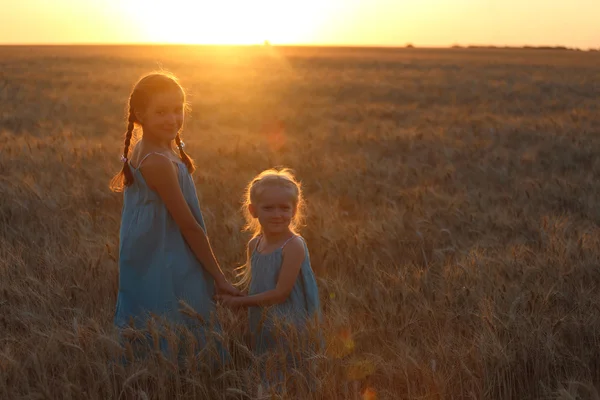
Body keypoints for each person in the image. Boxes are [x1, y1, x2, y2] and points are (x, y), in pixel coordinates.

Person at [109, 72, 240, 363]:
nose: (172, 118)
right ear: (140, 114)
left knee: (154, 309)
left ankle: (160, 370)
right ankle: (179, 373)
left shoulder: (158, 148)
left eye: (177, 109)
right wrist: (219, 277)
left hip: (152, 247)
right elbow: (189, 227)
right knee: (178, 307)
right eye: (160, 112)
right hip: (166, 250)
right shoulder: (157, 161)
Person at [217, 168, 322, 392]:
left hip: (290, 322)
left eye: (284, 208)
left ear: (294, 210)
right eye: (268, 208)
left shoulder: (293, 245)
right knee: (266, 368)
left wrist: (239, 303)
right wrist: (232, 294)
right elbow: (254, 284)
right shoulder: (254, 244)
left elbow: (280, 293)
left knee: (290, 369)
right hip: (262, 320)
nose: (277, 214)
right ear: (253, 210)